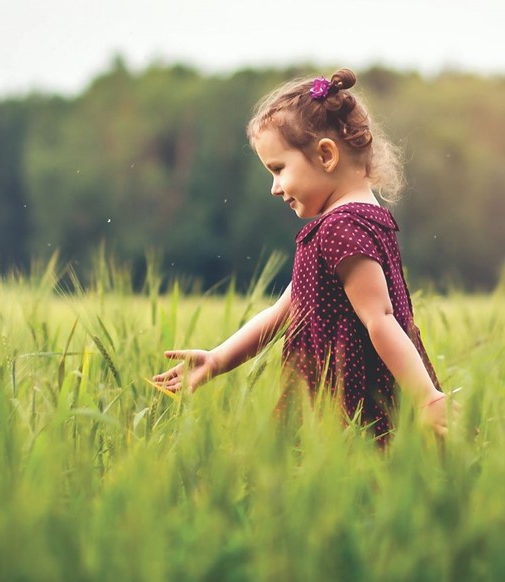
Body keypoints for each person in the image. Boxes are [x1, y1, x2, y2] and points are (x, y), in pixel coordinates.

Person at [152, 69, 448, 438]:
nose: (274, 188)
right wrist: (218, 358)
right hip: (339, 396)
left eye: (278, 170)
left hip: (348, 401)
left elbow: (381, 318)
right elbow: (284, 312)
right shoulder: (359, 223)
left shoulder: (342, 228)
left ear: (326, 155)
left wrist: (426, 398)